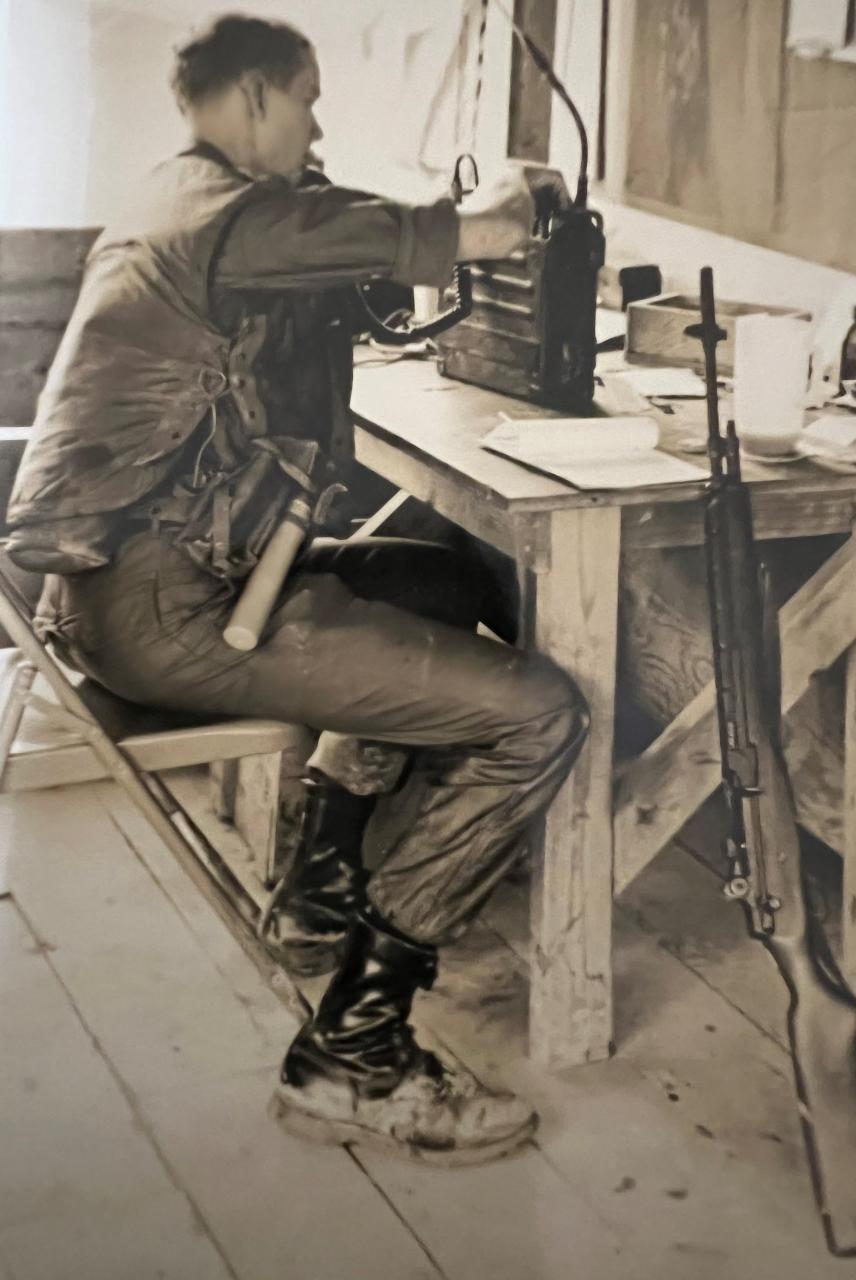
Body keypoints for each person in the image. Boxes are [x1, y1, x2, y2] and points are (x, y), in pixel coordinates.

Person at [5, 13, 588, 1165]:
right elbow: (472, 229)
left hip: (129, 578)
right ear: (259, 97)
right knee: (540, 711)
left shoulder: (174, 195)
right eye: (311, 99)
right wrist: (529, 199)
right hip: (168, 607)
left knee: (437, 570)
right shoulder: (235, 213)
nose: (319, 122)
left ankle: (319, 896)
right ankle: (355, 1052)